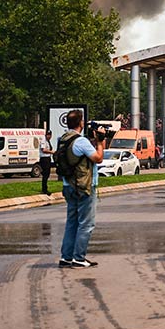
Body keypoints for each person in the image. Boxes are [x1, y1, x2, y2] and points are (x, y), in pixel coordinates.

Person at [57, 110, 104, 269]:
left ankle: (66, 257)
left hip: (68, 185)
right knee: (86, 224)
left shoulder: (63, 139)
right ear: (81, 123)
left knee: (72, 222)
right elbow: (98, 158)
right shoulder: (81, 141)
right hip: (83, 186)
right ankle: (79, 258)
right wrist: (100, 142)